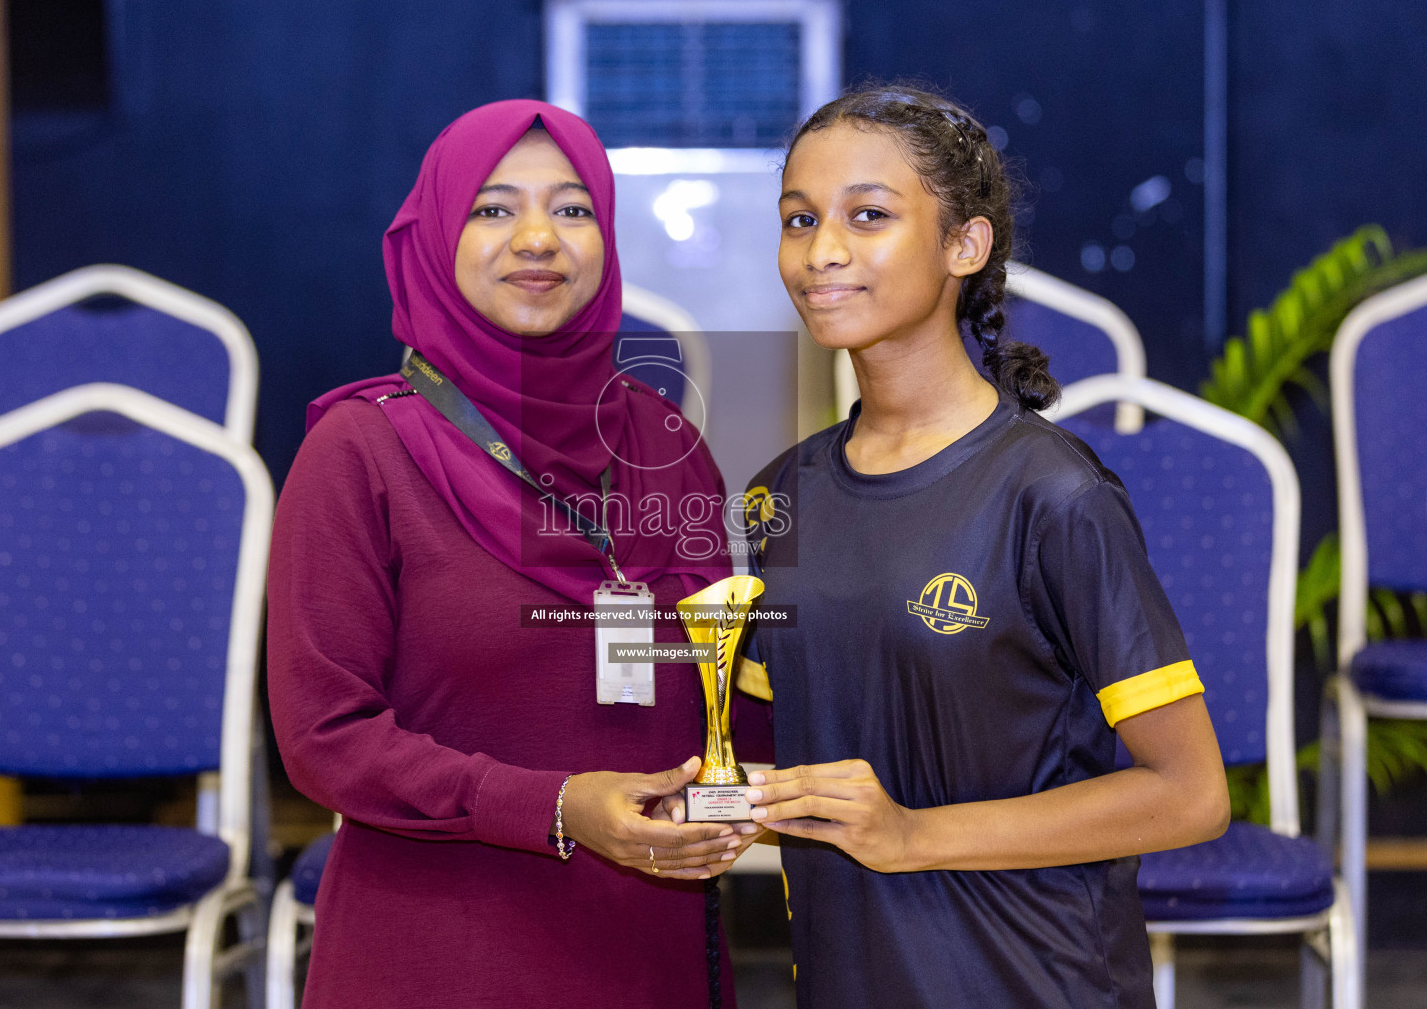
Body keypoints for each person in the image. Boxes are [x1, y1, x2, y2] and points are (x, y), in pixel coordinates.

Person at [734, 85, 1230, 1008]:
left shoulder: (1054, 494)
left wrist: (912, 835)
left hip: (1032, 979)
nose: (821, 251)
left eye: (868, 216)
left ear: (966, 245)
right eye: (798, 220)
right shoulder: (779, 498)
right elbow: (787, 758)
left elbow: (1190, 793)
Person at [267, 100, 764, 1009]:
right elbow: (323, 739)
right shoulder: (362, 452)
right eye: (494, 209)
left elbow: (719, 687)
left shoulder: (667, 443)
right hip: (442, 952)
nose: (538, 238)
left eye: (572, 209)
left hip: (646, 946)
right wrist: (556, 808)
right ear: (435, 239)